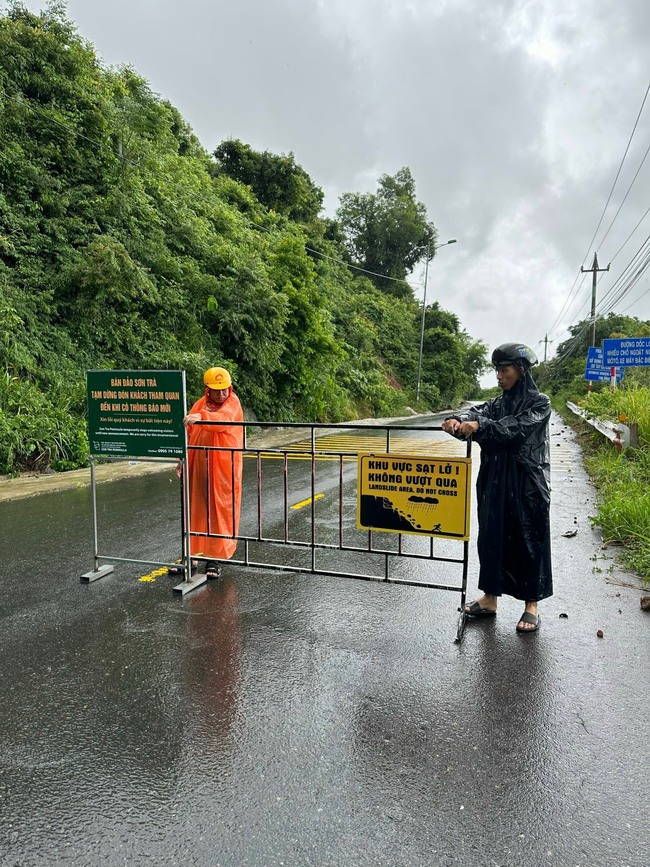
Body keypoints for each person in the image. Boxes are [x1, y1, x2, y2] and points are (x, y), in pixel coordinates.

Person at [441, 343, 552, 633]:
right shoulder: (497, 403)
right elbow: (477, 412)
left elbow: (514, 429)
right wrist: (459, 420)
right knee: (490, 537)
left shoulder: (540, 402)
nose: (499, 377)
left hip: (527, 481)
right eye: (497, 371)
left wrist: (479, 426)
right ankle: (490, 598)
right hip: (494, 480)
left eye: (505, 371)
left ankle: (531, 605)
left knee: (529, 539)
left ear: (521, 371)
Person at [171, 366, 244, 579]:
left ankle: (215, 558)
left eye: (225, 389)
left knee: (219, 512)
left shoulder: (233, 403)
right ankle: (190, 555)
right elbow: (188, 432)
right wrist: (181, 460)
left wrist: (201, 417)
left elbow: (223, 420)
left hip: (223, 470)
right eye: (216, 389)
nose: (221, 394)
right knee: (194, 509)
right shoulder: (199, 405)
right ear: (207, 390)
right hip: (198, 465)